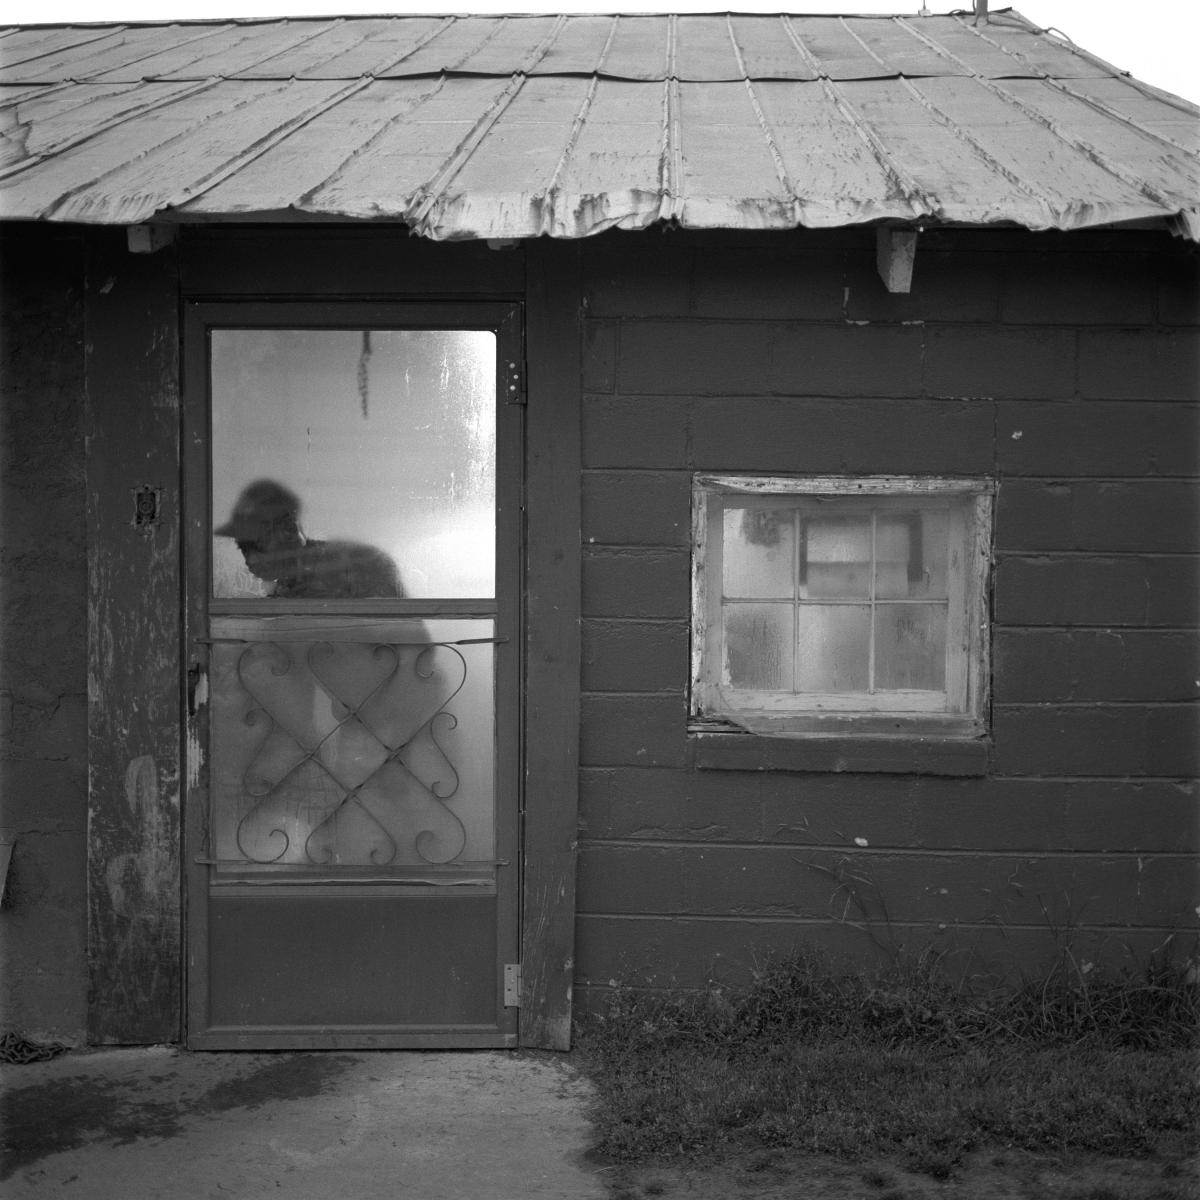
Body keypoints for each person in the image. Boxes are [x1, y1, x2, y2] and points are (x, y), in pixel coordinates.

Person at [215, 479, 405, 599]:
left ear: (289, 534)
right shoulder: (289, 580)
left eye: (253, 545)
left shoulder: (350, 566)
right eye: (243, 547)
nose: (249, 559)